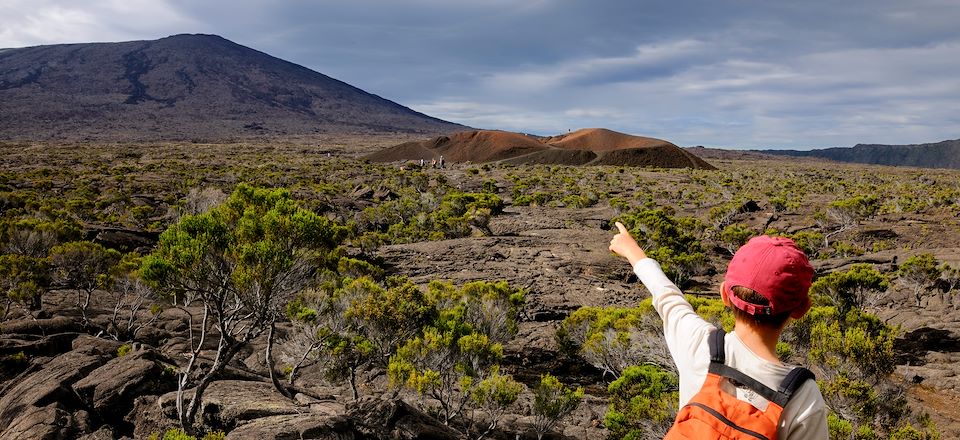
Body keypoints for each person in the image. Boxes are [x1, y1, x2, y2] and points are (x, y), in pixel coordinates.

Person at [608, 223, 828, 439]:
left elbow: (668, 297)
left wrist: (631, 251)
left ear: (724, 294)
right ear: (802, 309)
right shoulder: (803, 397)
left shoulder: (699, 344)